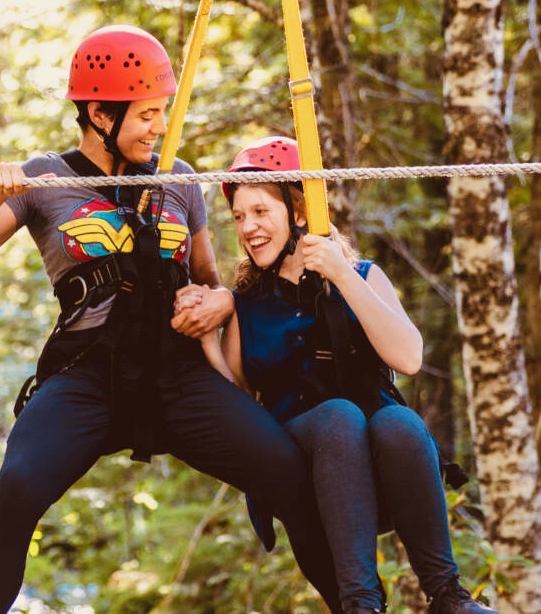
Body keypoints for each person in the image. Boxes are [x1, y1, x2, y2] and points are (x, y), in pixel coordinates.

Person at [0, 28, 342, 613]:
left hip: (178, 375)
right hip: (87, 376)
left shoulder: (180, 178)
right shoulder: (45, 180)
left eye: (162, 111)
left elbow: (211, 280)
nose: (160, 127)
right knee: (16, 489)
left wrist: (222, 303)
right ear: (99, 113)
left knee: (288, 473)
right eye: (147, 114)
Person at [179, 135, 498, 613]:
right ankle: (361, 604)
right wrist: (208, 339)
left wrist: (343, 276)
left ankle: (448, 596)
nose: (248, 227)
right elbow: (240, 402)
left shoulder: (362, 276)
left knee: (399, 421)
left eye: (261, 212)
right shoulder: (246, 305)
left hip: (383, 467)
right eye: (240, 216)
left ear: (299, 212)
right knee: (339, 418)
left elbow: (408, 358)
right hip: (306, 460)